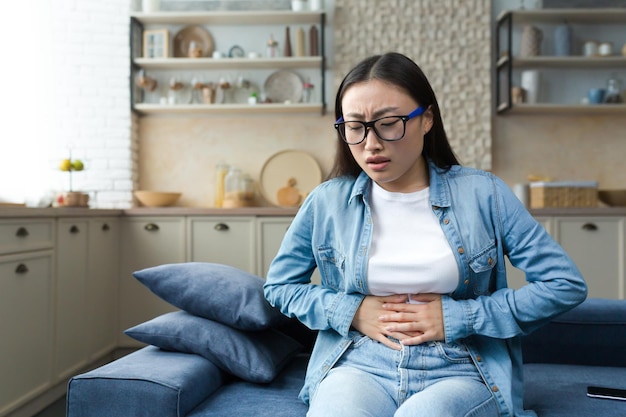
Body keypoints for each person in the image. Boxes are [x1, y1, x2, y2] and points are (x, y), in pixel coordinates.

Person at [263, 52, 587, 417]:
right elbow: (280, 286)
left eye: (389, 123)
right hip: (358, 363)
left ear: (427, 119)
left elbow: (564, 284)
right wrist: (351, 311)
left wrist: (461, 318)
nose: (370, 143)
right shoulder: (326, 202)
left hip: (459, 367)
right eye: (355, 126)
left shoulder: (485, 194)